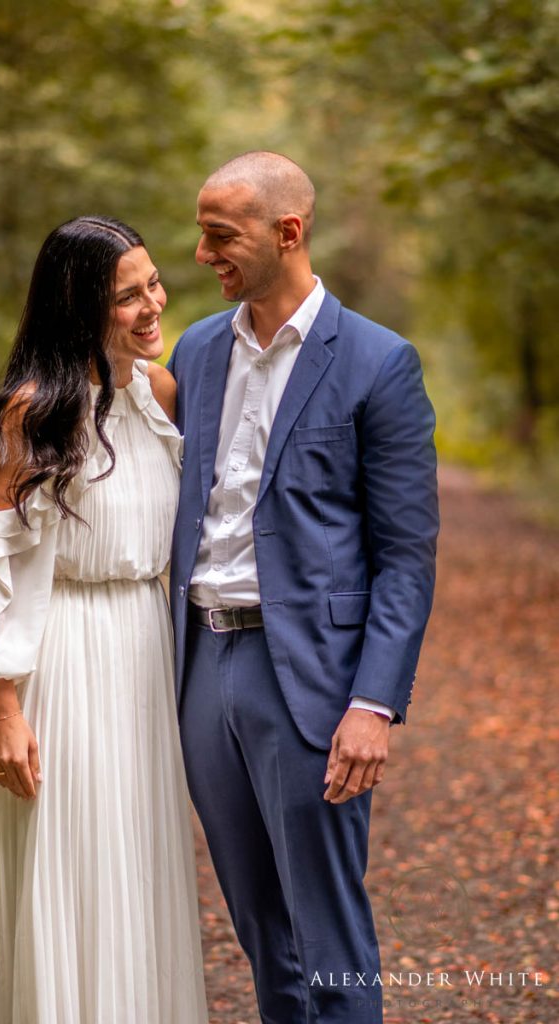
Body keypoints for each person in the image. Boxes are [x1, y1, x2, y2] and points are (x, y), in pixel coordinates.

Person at [167, 152, 439, 1023]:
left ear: (288, 232)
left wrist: (373, 702)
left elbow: (405, 555)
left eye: (220, 235)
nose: (203, 252)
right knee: (258, 929)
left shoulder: (377, 362)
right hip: (201, 664)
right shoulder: (198, 350)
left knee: (327, 935)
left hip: (310, 679)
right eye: (201, 232)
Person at [0, 216, 208, 1024]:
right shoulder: (33, 414)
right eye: (126, 296)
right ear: (77, 308)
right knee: (70, 865)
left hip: (143, 652)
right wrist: (3, 708)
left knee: (138, 862)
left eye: (152, 284)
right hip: (61, 659)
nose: (152, 305)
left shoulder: (159, 394)